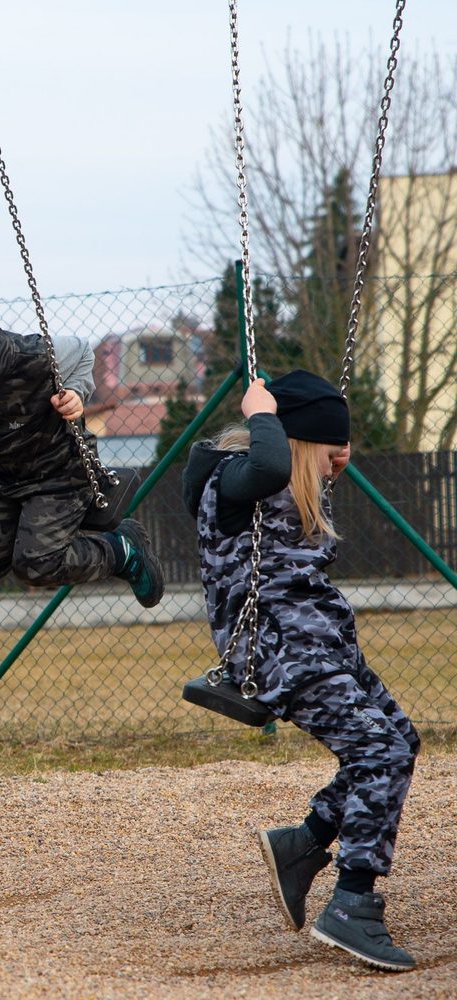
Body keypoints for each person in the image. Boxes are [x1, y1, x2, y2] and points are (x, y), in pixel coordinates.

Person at [182, 370, 420, 972]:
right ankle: (352, 905)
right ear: (294, 444)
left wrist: (329, 452)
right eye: (326, 454)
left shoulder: (294, 478)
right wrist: (262, 413)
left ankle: (304, 843)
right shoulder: (238, 479)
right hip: (277, 648)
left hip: (321, 639)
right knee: (378, 754)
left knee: (400, 741)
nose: (335, 467)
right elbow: (267, 466)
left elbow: (291, 474)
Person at [0, 275, 163, 607]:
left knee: (37, 565)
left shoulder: (32, 354)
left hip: (59, 473)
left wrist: (76, 394)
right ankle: (49, 534)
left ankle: (122, 551)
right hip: (0, 480)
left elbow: (83, 352)